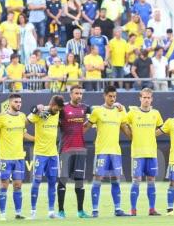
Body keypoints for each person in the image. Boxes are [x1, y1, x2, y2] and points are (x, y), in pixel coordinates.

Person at [84, 85, 131, 217]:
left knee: (116, 179)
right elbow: (85, 127)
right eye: (110, 96)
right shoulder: (97, 111)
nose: (112, 98)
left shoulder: (120, 111)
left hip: (115, 151)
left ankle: (118, 209)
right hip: (102, 151)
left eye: (114, 96)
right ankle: (94, 210)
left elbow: (128, 132)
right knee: (97, 178)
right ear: (104, 96)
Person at [0, 93, 29, 220]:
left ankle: (18, 213)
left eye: (20, 102)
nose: (18, 104)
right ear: (10, 103)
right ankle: (2, 214)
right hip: (6, 157)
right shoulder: (1, 117)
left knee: (18, 185)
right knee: (4, 185)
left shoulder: (22, 116)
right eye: (16, 102)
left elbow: (23, 134)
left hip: (19, 157)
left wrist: (37, 139)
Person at [126, 88, 163, 216]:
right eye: (144, 97)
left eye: (149, 98)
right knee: (136, 180)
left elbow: (161, 128)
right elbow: (123, 124)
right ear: (140, 98)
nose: (146, 100)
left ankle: (152, 209)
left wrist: (151, 135)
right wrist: (131, 134)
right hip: (137, 153)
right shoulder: (133, 113)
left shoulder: (156, 114)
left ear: (151, 99)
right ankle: (133, 209)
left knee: (151, 180)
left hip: (151, 153)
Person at [56, 86, 91, 218]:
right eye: (76, 93)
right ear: (70, 94)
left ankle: (80, 211)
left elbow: (100, 110)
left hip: (80, 149)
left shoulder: (85, 108)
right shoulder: (63, 109)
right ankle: (61, 211)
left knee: (79, 181)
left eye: (81, 93)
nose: (79, 96)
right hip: (66, 149)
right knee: (63, 180)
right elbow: (51, 112)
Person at [28, 95, 65, 219]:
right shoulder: (40, 112)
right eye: (56, 109)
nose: (58, 112)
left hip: (53, 154)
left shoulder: (58, 113)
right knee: (37, 181)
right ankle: (33, 212)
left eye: (59, 110)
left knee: (52, 182)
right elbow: (25, 121)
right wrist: (35, 109)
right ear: (53, 105)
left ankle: (51, 212)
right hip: (40, 154)